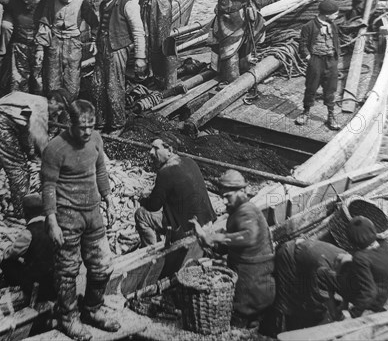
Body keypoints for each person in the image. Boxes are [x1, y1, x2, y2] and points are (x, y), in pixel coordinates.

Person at [42, 100, 120, 341]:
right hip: (67, 216)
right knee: (67, 269)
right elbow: (48, 186)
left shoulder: (96, 139)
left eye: (91, 126)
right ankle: (68, 317)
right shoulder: (55, 148)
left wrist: (108, 198)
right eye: (82, 127)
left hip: (93, 213)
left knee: (102, 263)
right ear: (69, 123)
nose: (87, 132)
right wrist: (52, 221)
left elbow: (100, 170)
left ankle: (92, 309)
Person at [191, 169, 275, 327]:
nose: (223, 201)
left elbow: (249, 236)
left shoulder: (247, 212)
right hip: (248, 284)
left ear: (243, 191)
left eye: (228, 196)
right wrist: (205, 239)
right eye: (222, 196)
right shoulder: (237, 212)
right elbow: (226, 247)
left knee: (240, 324)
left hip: (253, 285)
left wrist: (218, 237)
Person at [0, 91, 51, 217]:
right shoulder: (42, 106)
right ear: (53, 101)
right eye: (59, 108)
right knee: (18, 168)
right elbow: (40, 138)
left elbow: (25, 129)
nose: (59, 113)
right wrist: (47, 159)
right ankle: (23, 210)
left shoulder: (27, 99)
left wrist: (30, 152)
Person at [135, 138, 216, 246]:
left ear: (169, 150)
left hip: (189, 229)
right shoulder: (190, 161)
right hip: (206, 221)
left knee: (141, 214)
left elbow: (153, 206)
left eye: (156, 148)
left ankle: (151, 250)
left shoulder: (165, 172)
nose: (151, 152)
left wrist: (142, 199)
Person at [92, 0, 146, 132]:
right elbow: (101, 27)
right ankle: (100, 122)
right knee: (97, 85)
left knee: (114, 86)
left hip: (118, 50)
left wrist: (140, 57)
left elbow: (138, 32)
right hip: (102, 49)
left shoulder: (128, 4)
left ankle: (117, 124)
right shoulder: (103, 5)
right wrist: (95, 43)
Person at [34, 0, 98, 100]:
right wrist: (40, 48)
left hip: (73, 43)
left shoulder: (82, 2)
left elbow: (94, 23)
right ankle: (54, 110)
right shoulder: (51, 2)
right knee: (52, 81)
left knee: (72, 81)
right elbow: (44, 24)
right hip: (54, 42)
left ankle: (70, 109)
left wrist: (94, 40)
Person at [317, 216, 388, 320]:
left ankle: (334, 314)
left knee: (322, 273)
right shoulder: (386, 247)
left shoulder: (361, 257)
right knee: (345, 260)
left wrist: (353, 313)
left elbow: (370, 292)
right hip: (382, 294)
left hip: (372, 302)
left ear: (352, 241)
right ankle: (343, 304)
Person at [274, 238, 349, 331]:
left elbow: (346, 289)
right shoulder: (323, 269)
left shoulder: (347, 259)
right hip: (287, 255)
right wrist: (334, 313)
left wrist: (344, 306)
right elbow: (323, 293)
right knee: (293, 302)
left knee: (312, 301)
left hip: (307, 256)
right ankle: (281, 330)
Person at [296, 0, 341, 130]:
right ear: (327, 15)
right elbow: (302, 44)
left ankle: (331, 115)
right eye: (335, 14)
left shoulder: (333, 25)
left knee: (330, 88)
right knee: (311, 87)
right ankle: (306, 112)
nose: (337, 16)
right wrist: (309, 57)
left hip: (331, 60)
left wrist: (336, 56)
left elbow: (336, 41)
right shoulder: (309, 26)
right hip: (316, 60)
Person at [1, 193, 55, 302]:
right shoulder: (53, 228)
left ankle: (21, 289)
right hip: (53, 278)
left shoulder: (28, 233)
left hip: (36, 281)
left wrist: (6, 249)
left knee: (7, 263)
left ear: (26, 213)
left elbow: (11, 254)